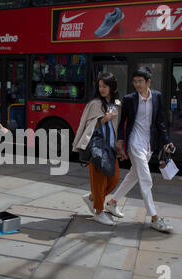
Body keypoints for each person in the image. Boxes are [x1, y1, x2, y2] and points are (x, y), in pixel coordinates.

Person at [105, 67, 175, 233]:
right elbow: (123, 121)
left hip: (149, 143)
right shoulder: (129, 99)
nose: (137, 84)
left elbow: (160, 122)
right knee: (146, 179)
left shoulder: (156, 96)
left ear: (148, 82)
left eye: (140, 81)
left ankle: (112, 203)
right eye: (135, 81)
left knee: (133, 176)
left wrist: (166, 142)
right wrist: (121, 140)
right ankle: (155, 218)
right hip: (135, 143)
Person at [72, 72, 123, 226]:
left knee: (114, 179)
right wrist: (103, 119)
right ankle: (99, 212)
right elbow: (85, 126)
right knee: (99, 181)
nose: (102, 89)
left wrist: (119, 147)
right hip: (96, 148)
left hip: (110, 148)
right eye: (100, 86)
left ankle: (92, 198)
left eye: (105, 86)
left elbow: (116, 129)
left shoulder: (117, 105)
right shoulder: (94, 104)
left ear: (112, 87)